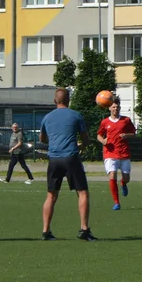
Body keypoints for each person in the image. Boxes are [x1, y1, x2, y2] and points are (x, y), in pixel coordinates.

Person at [39, 87, 96, 241]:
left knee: (51, 195)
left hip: (54, 159)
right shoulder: (76, 115)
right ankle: (84, 229)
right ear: (68, 100)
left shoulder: (47, 117)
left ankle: (46, 231)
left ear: (54, 101)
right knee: (82, 192)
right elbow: (86, 139)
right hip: (70, 157)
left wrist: (55, 141)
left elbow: (42, 139)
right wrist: (81, 146)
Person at [97, 98, 137, 211]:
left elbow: (134, 134)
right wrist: (103, 141)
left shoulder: (126, 120)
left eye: (117, 107)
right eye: (114, 107)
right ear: (109, 108)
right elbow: (99, 135)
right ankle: (116, 202)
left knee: (126, 178)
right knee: (112, 174)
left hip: (124, 153)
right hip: (110, 153)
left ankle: (123, 184)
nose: (116, 109)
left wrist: (127, 135)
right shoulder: (105, 122)